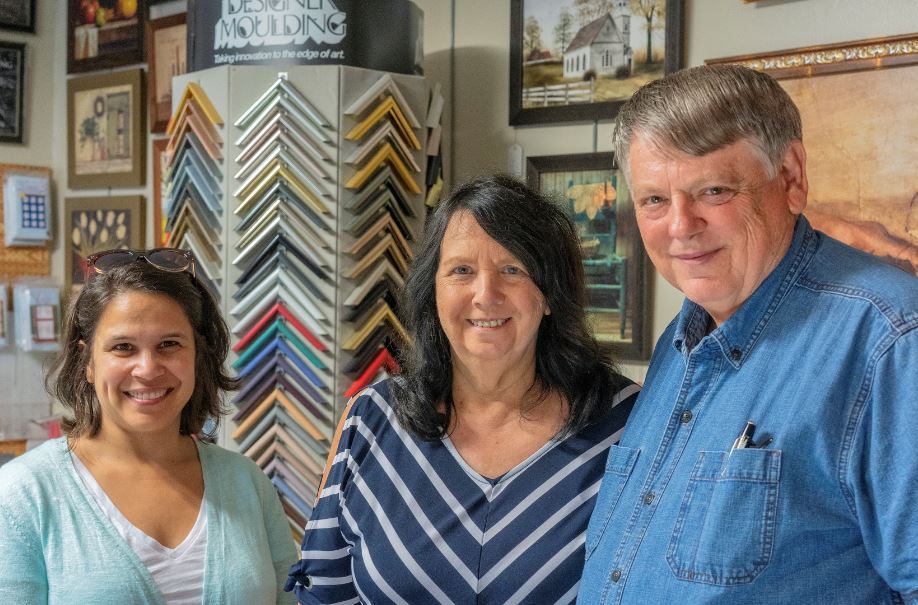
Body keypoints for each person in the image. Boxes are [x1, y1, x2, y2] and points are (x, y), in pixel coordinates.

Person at [578, 64, 918, 603]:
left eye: (713, 190)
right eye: (654, 201)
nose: (680, 227)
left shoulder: (891, 343)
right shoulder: (680, 340)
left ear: (791, 176)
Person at [286, 175, 639, 603]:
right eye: (461, 271)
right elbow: (324, 591)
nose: (485, 294)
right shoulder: (371, 419)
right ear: (433, 290)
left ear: (549, 294)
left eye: (513, 269)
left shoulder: (626, 424)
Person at [0, 248, 298, 604]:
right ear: (88, 362)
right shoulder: (22, 494)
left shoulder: (247, 482)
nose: (148, 368)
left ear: (196, 355)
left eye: (169, 344)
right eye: (123, 347)